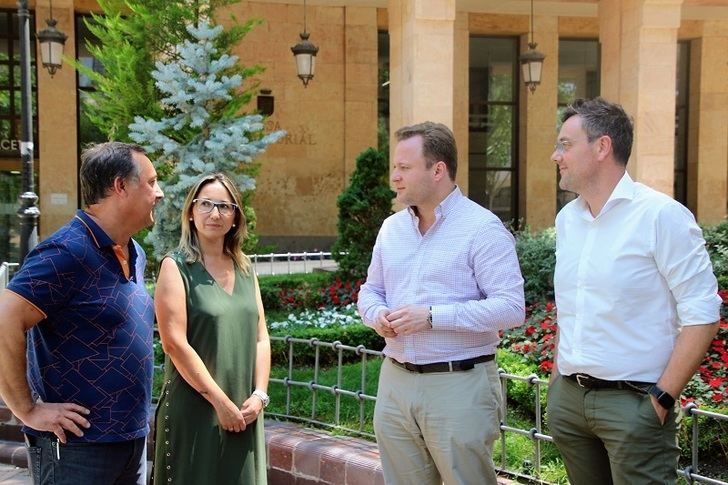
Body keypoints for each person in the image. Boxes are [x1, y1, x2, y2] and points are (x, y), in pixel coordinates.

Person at [547, 97, 722, 485]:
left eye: (565, 144)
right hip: (570, 404)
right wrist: (557, 384)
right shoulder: (567, 221)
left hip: (635, 404)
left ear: (602, 147)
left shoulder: (661, 215)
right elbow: (571, 306)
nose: (555, 154)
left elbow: (703, 313)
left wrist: (661, 399)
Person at [357, 121, 525, 485]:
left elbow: (511, 307)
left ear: (438, 170)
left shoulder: (483, 228)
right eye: (394, 167)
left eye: (404, 167)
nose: (394, 177)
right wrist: (377, 314)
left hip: (459, 384)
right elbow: (370, 290)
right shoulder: (392, 228)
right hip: (395, 382)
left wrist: (431, 317)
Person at [0, 142, 164, 485]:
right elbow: (5, 318)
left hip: (129, 441)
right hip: (77, 450)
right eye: (151, 182)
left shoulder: (134, 250)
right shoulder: (68, 251)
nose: (159, 193)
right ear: (121, 186)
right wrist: (26, 409)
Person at [152, 173, 271, 484]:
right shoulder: (174, 267)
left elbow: (261, 338)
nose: (215, 214)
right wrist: (220, 403)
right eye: (205, 204)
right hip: (195, 411)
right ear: (191, 212)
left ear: (235, 217)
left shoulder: (246, 268)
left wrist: (259, 395)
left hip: (245, 410)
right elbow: (174, 344)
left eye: (224, 206)